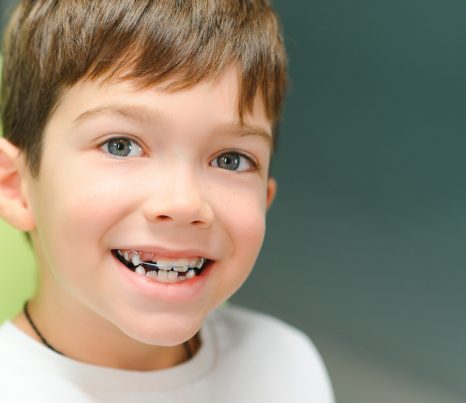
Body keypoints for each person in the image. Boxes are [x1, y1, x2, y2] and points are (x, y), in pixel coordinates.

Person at [0, 1, 334, 402]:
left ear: (265, 199)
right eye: (120, 146)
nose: (185, 203)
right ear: (16, 186)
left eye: (231, 159)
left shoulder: (285, 366)